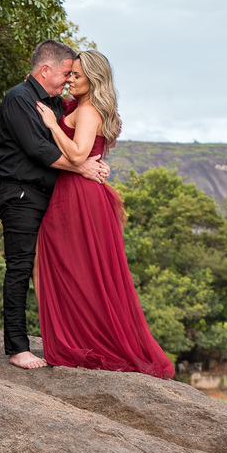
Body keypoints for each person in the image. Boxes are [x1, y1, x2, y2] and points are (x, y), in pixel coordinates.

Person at [32, 50, 175, 378]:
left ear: (93, 81)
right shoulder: (80, 107)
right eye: (70, 74)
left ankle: (79, 341)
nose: (70, 80)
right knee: (70, 267)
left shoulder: (89, 111)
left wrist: (53, 126)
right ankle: (71, 337)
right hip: (76, 193)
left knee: (76, 269)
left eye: (77, 76)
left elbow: (79, 152)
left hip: (78, 196)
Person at [0, 40, 111, 369]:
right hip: (20, 193)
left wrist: (91, 161)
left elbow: (76, 142)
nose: (68, 80)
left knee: (53, 268)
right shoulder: (20, 98)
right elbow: (38, 150)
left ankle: (63, 340)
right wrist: (82, 166)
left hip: (51, 195)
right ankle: (17, 346)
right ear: (45, 70)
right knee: (20, 266)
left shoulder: (56, 103)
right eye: (64, 73)